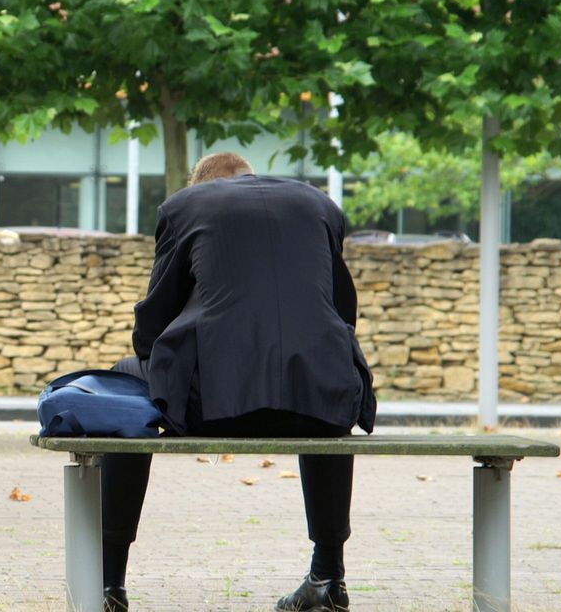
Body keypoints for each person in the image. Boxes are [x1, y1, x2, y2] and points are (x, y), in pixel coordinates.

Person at [102, 152, 376, 612]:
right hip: (321, 405)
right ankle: (329, 574)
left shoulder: (184, 208)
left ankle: (108, 583)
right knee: (322, 380)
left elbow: (152, 327)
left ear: (201, 185)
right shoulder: (320, 205)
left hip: (209, 405)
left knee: (120, 386)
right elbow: (342, 310)